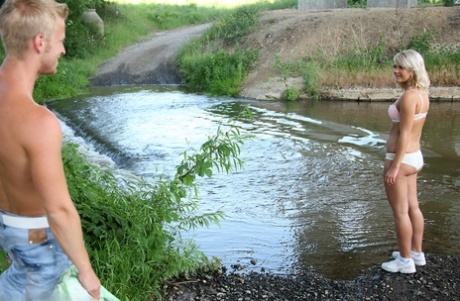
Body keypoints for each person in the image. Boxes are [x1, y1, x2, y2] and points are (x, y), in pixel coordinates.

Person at [0, 0, 101, 299]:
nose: (63, 50)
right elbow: (58, 210)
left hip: (10, 228)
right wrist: (86, 271)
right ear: (39, 42)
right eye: (60, 41)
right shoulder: (39, 122)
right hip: (38, 239)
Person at [381, 49, 430, 274]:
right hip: (415, 157)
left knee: (400, 212)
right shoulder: (421, 93)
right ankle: (416, 254)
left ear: (413, 69)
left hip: (402, 160)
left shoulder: (410, 97)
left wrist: (395, 166)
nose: (396, 71)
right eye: (395, 66)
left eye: (401, 67)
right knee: (413, 208)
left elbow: (405, 135)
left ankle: (404, 260)